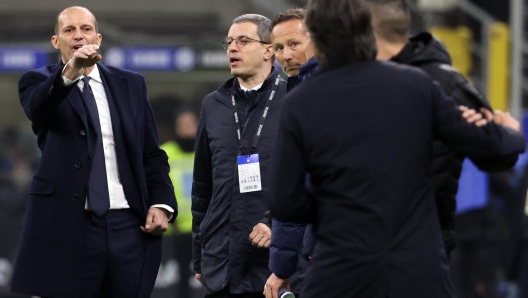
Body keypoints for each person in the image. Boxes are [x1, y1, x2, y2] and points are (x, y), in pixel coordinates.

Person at [268, 0, 525, 297]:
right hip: (417, 271)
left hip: (340, 271)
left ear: (317, 36)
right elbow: (491, 146)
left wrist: (332, 203)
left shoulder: (301, 102)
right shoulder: (416, 85)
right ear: (367, 31)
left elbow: (284, 202)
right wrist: (510, 132)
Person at [10, 6, 176, 298]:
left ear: (98, 38)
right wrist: (71, 70)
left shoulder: (131, 84)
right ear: (55, 41)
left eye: (86, 29)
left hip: (128, 224)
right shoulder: (37, 82)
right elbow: (38, 109)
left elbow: (151, 152)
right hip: (69, 226)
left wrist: (162, 202)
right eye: (69, 30)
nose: (78, 35)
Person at [364, 0, 519, 257]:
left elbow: (499, 155)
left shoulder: (442, 82)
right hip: (369, 247)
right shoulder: (350, 80)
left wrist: (507, 135)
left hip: (419, 248)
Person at [191, 14, 287, 297]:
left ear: (269, 49)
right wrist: (200, 253)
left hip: (273, 261)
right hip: (221, 262)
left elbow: (308, 182)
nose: (233, 48)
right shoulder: (214, 104)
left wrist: (277, 227)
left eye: (244, 41)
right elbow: (202, 186)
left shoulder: (293, 99)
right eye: (229, 42)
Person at [264, 8, 317, 298]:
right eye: (279, 48)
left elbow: (295, 192)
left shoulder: (312, 97)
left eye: (294, 44)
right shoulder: (295, 92)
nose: (285, 55)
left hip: (321, 256)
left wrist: (282, 267)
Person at [160, 107, 199, 298]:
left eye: (191, 125)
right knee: (181, 284)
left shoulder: (207, 151)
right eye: (182, 126)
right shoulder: (165, 153)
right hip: (175, 230)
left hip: (206, 228)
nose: (187, 130)